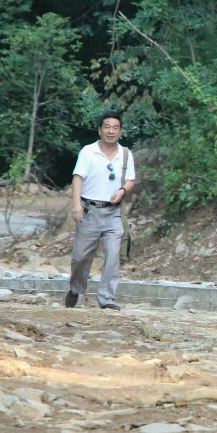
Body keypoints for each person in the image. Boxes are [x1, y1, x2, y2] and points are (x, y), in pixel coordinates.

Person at [65, 111, 136, 310]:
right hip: (89, 211)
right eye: (107, 127)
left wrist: (122, 191)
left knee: (113, 256)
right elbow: (77, 178)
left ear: (120, 131)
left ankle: (107, 299)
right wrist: (76, 204)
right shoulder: (88, 151)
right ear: (100, 130)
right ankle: (76, 289)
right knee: (80, 257)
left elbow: (131, 179)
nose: (111, 131)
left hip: (114, 213)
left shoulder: (126, 154)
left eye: (115, 128)